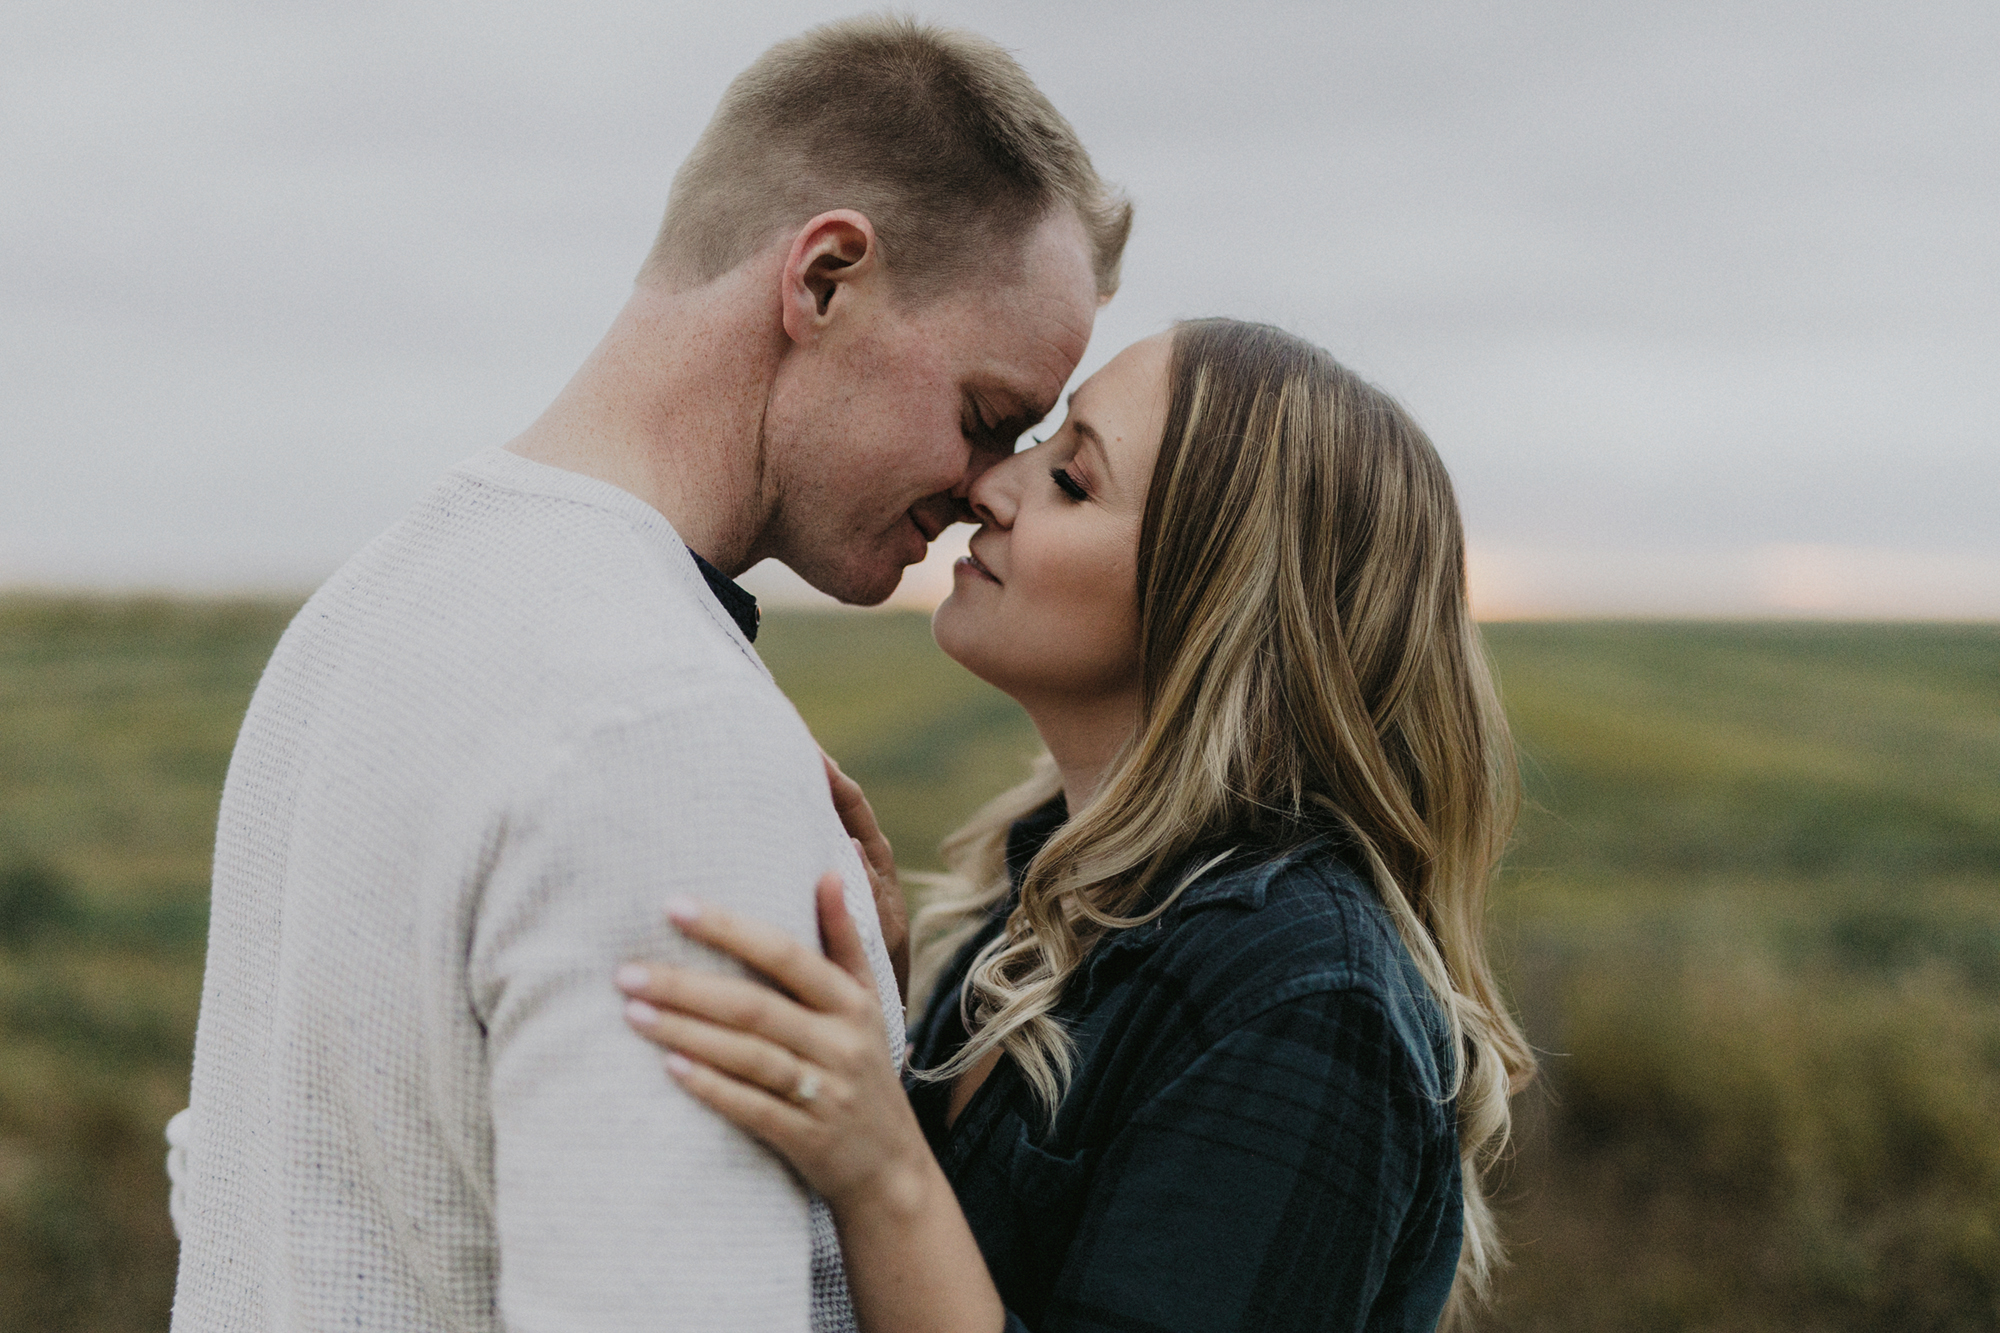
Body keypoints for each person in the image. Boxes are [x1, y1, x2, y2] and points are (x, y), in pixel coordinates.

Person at [169, 17, 1129, 1333]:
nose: (985, 493)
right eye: (985, 416)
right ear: (826, 278)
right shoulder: (663, 731)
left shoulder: (358, 617)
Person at [615, 320, 1539, 1332]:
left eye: (1070, 480)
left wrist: (882, 1169)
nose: (990, 486)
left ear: (1215, 596)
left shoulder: (1302, 994)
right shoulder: (1055, 900)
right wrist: (883, 1018)